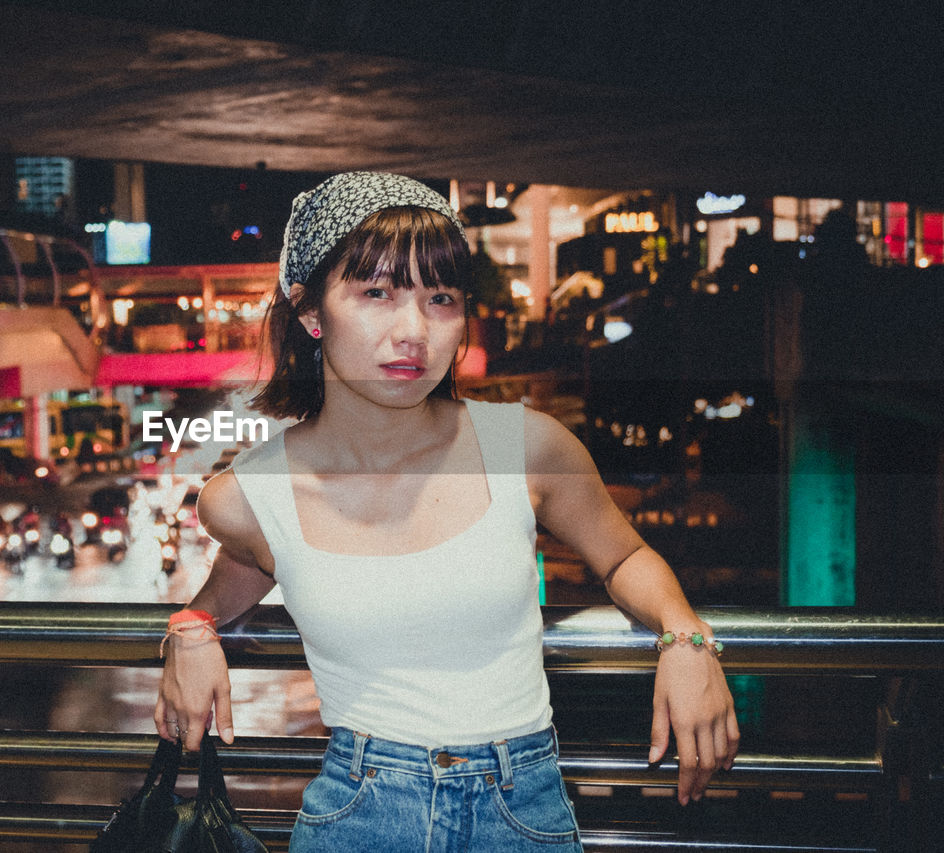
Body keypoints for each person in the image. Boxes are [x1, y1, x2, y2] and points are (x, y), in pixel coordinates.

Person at [154, 172, 738, 851]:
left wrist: (685, 637)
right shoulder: (251, 495)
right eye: (376, 293)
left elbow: (625, 555)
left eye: (440, 298)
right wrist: (190, 633)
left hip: (522, 809)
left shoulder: (526, 446)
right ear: (310, 311)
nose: (414, 332)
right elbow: (223, 592)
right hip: (360, 814)